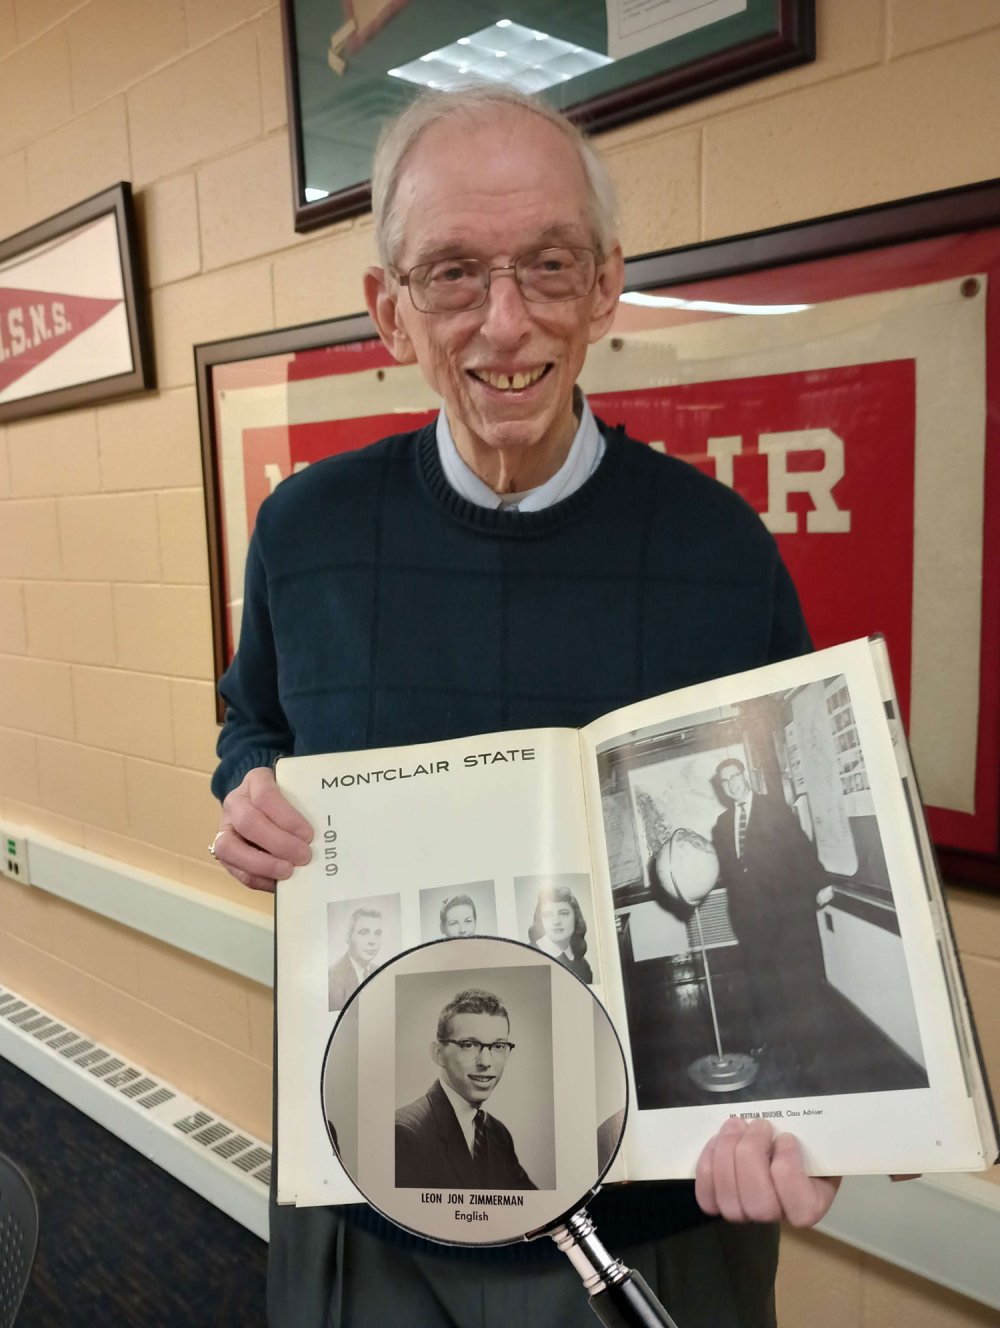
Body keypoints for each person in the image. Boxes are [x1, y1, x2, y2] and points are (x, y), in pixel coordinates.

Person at [210, 85, 842, 1327]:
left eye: (548, 264)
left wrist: (818, 1106)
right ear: (389, 310)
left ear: (606, 282)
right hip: (373, 1195)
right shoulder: (305, 531)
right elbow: (254, 724)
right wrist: (243, 792)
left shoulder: (719, 544)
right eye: (452, 273)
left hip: (656, 1219)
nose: (506, 323)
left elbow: (791, 854)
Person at [711, 758, 831, 1067]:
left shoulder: (773, 808)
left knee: (795, 983)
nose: (732, 783)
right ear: (721, 787)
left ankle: (809, 1050)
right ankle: (774, 1043)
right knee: (763, 985)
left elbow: (801, 848)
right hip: (750, 921)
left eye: (735, 776)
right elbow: (729, 872)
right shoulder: (722, 825)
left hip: (786, 916)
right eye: (725, 781)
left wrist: (820, 883)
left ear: (745, 776)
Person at [396, 989, 536, 1190]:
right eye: (469, 1045)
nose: (486, 1062)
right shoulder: (404, 1134)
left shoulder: (498, 1134)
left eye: (498, 1046)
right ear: (438, 1054)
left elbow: (535, 1207)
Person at [528, 882, 593, 983]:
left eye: (563, 914)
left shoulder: (583, 966)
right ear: (541, 920)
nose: (556, 922)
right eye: (548, 915)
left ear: (575, 917)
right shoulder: (527, 956)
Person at [328, 906, 384, 1010]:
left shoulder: (381, 972)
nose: (372, 941)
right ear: (348, 937)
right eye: (364, 932)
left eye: (377, 933)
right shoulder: (331, 979)